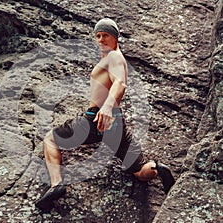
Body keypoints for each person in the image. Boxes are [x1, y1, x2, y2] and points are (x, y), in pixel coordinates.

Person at [35, 18, 175, 210]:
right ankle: (158, 169)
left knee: (50, 140)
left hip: (96, 118)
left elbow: (120, 83)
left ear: (115, 37)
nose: (101, 39)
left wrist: (107, 107)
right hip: (117, 124)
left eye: (106, 35)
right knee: (139, 171)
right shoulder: (114, 58)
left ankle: (56, 185)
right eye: (98, 36)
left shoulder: (114, 58)